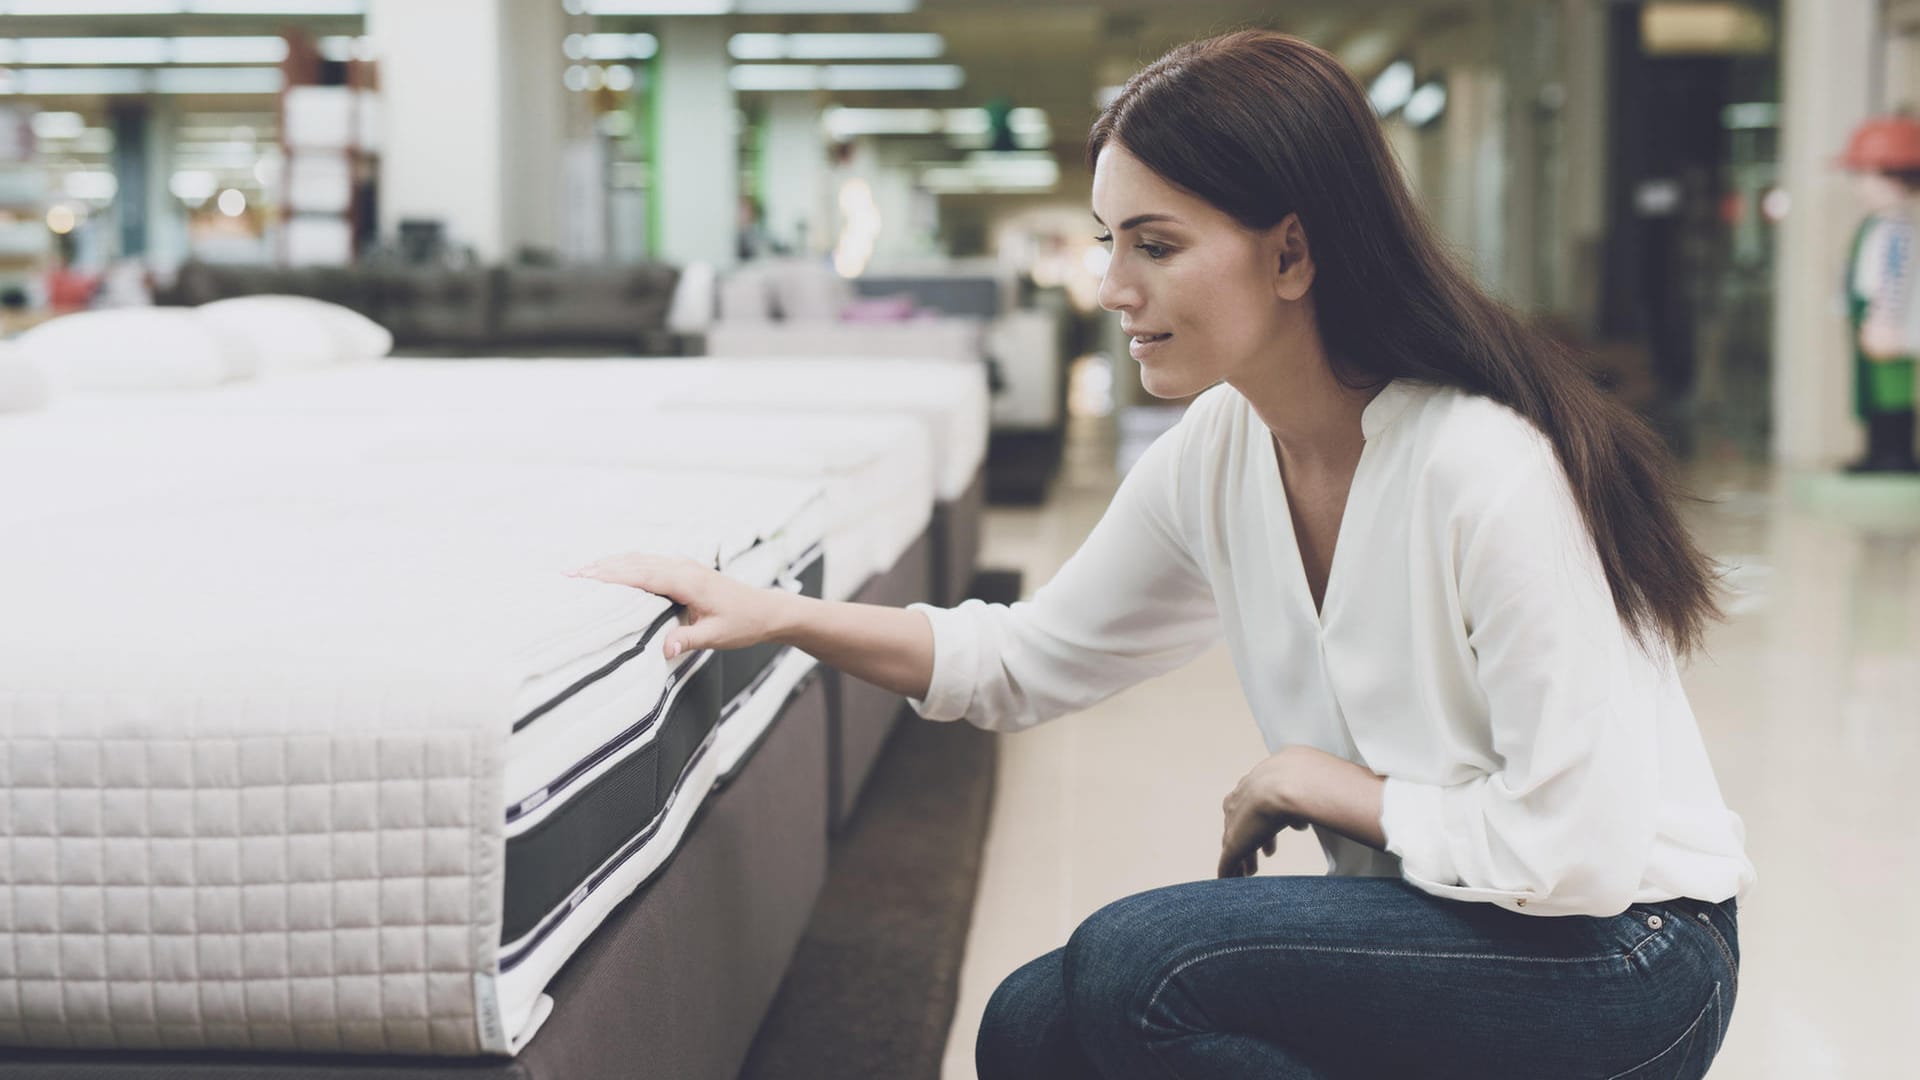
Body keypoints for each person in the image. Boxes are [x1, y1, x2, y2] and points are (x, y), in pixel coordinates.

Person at [576, 31, 1753, 1080]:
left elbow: (1581, 858)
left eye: (1155, 244)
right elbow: (1027, 658)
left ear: (1291, 254)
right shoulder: (1224, 450)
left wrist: (1317, 782)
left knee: (1143, 967)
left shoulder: (1483, 466)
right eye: (1107, 243)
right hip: (1455, 920)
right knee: (1032, 1027)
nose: (1112, 287)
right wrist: (778, 613)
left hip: (1629, 957)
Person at [1842, 114, 1920, 474]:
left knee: (1893, 390)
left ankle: (1895, 453)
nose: (1861, 186)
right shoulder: (1879, 226)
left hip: (1886, 321)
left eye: (1867, 175)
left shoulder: (1899, 230)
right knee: (1872, 391)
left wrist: (1885, 321)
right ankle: (1878, 452)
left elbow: (1895, 279)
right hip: (1869, 315)